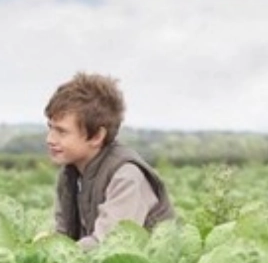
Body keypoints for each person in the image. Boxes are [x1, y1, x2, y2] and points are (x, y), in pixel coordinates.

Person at [45, 72, 175, 249]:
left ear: (97, 136)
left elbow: (107, 244)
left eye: (61, 132)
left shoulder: (126, 177)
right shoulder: (70, 173)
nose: (50, 139)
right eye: (50, 128)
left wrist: (50, 253)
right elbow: (64, 235)